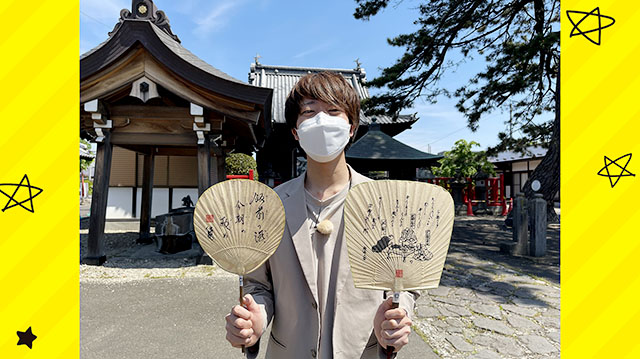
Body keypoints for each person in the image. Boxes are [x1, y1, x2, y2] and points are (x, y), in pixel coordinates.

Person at [224, 72, 416, 358]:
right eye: (309, 112)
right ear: (295, 131)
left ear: (352, 127)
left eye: (334, 111)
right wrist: (255, 320)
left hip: (363, 350)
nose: (321, 121)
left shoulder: (386, 203)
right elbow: (259, 284)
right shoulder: (269, 205)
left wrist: (397, 316)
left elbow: (404, 284)